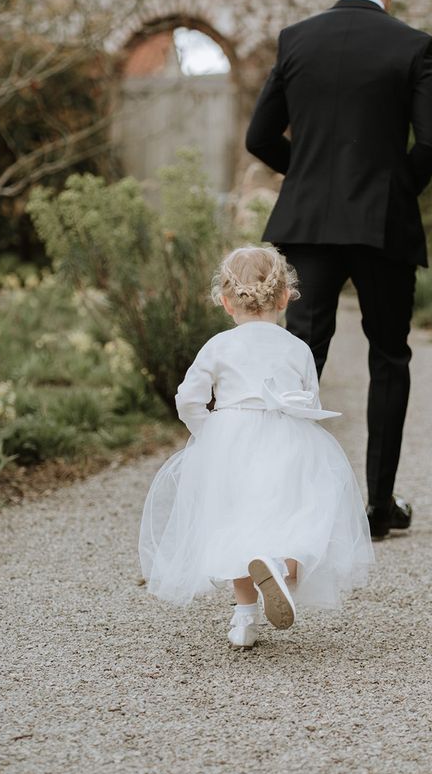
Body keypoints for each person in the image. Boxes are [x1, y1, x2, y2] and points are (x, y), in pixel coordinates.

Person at [245, 0, 432, 540]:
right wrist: (391, 191)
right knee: (389, 356)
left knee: (301, 354)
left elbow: (260, 137)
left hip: (307, 227)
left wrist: (308, 178)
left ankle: (287, 501)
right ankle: (380, 509)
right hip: (382, 226)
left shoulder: (296, 40)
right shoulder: (411, 45)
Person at [138, 245, 374, 649]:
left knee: (235, 524)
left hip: (231, 441)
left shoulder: (217, 346)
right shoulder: (297, 347)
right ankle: (281, 567)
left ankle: (244, 618)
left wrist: (209, 432)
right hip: (288, 440)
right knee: (301, 516)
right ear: (284, 298)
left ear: (227, 302)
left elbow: (187, 399)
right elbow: (309, 402)